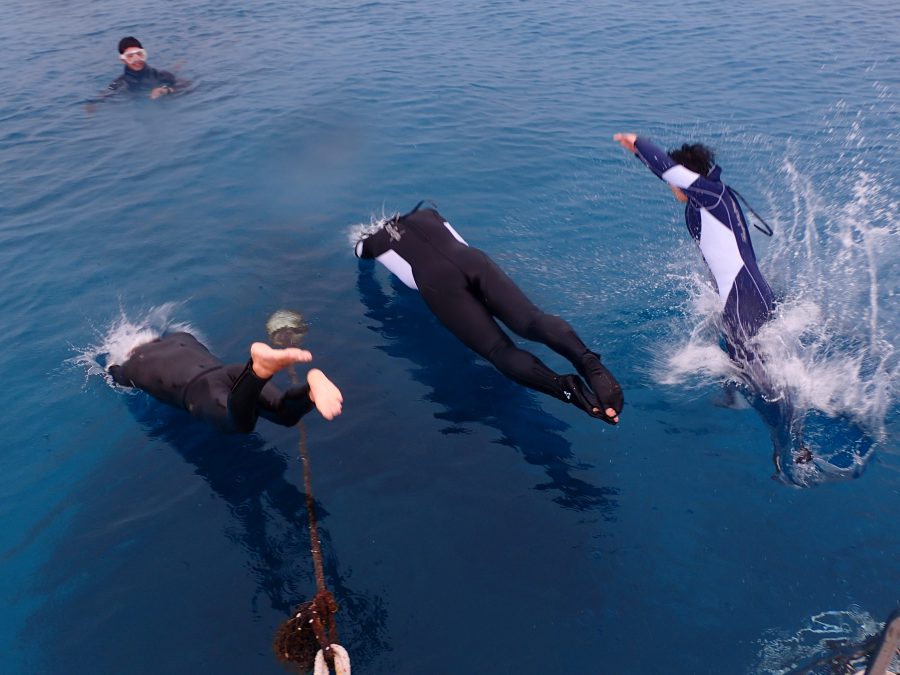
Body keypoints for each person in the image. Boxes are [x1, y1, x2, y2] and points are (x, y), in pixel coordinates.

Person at [354, 202, 624, 424]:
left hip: (437, 281)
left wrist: (368, 246)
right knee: (532, 320)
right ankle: (589, 362)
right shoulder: (428, 213)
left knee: (497, 349)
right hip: (471, 260)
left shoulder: (375, 240)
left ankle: (563, 387)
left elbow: (361, 253)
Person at [613, 133, 775, 366]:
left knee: (754, 372)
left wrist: (638, 142)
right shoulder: (711, 196)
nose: (670, 185)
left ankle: (787, 402)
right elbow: (667, 172)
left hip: (742, 300)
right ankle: (733, 398)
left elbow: (669, 170)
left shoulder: (708, 197)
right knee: (750, 364)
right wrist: (639, 154)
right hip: (749, 293)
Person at [109, 332, 343, 433]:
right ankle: (311, 390)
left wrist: (111, 367)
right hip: (230, 372)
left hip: (199, 391)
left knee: (239, 424)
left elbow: (114, 374)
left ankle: (259, 371)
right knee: (284, 414)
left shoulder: (132, 368)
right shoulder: (182, 338)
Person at [106, 36, 179, 99]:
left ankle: (178, 66)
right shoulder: (118, 85)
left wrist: (166, 90)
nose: (137, 60)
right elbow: (101, 100)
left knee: (174, 70)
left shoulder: (162, 75)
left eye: (139, 54)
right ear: (123, 60)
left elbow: (184, 87)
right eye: (130, 56)